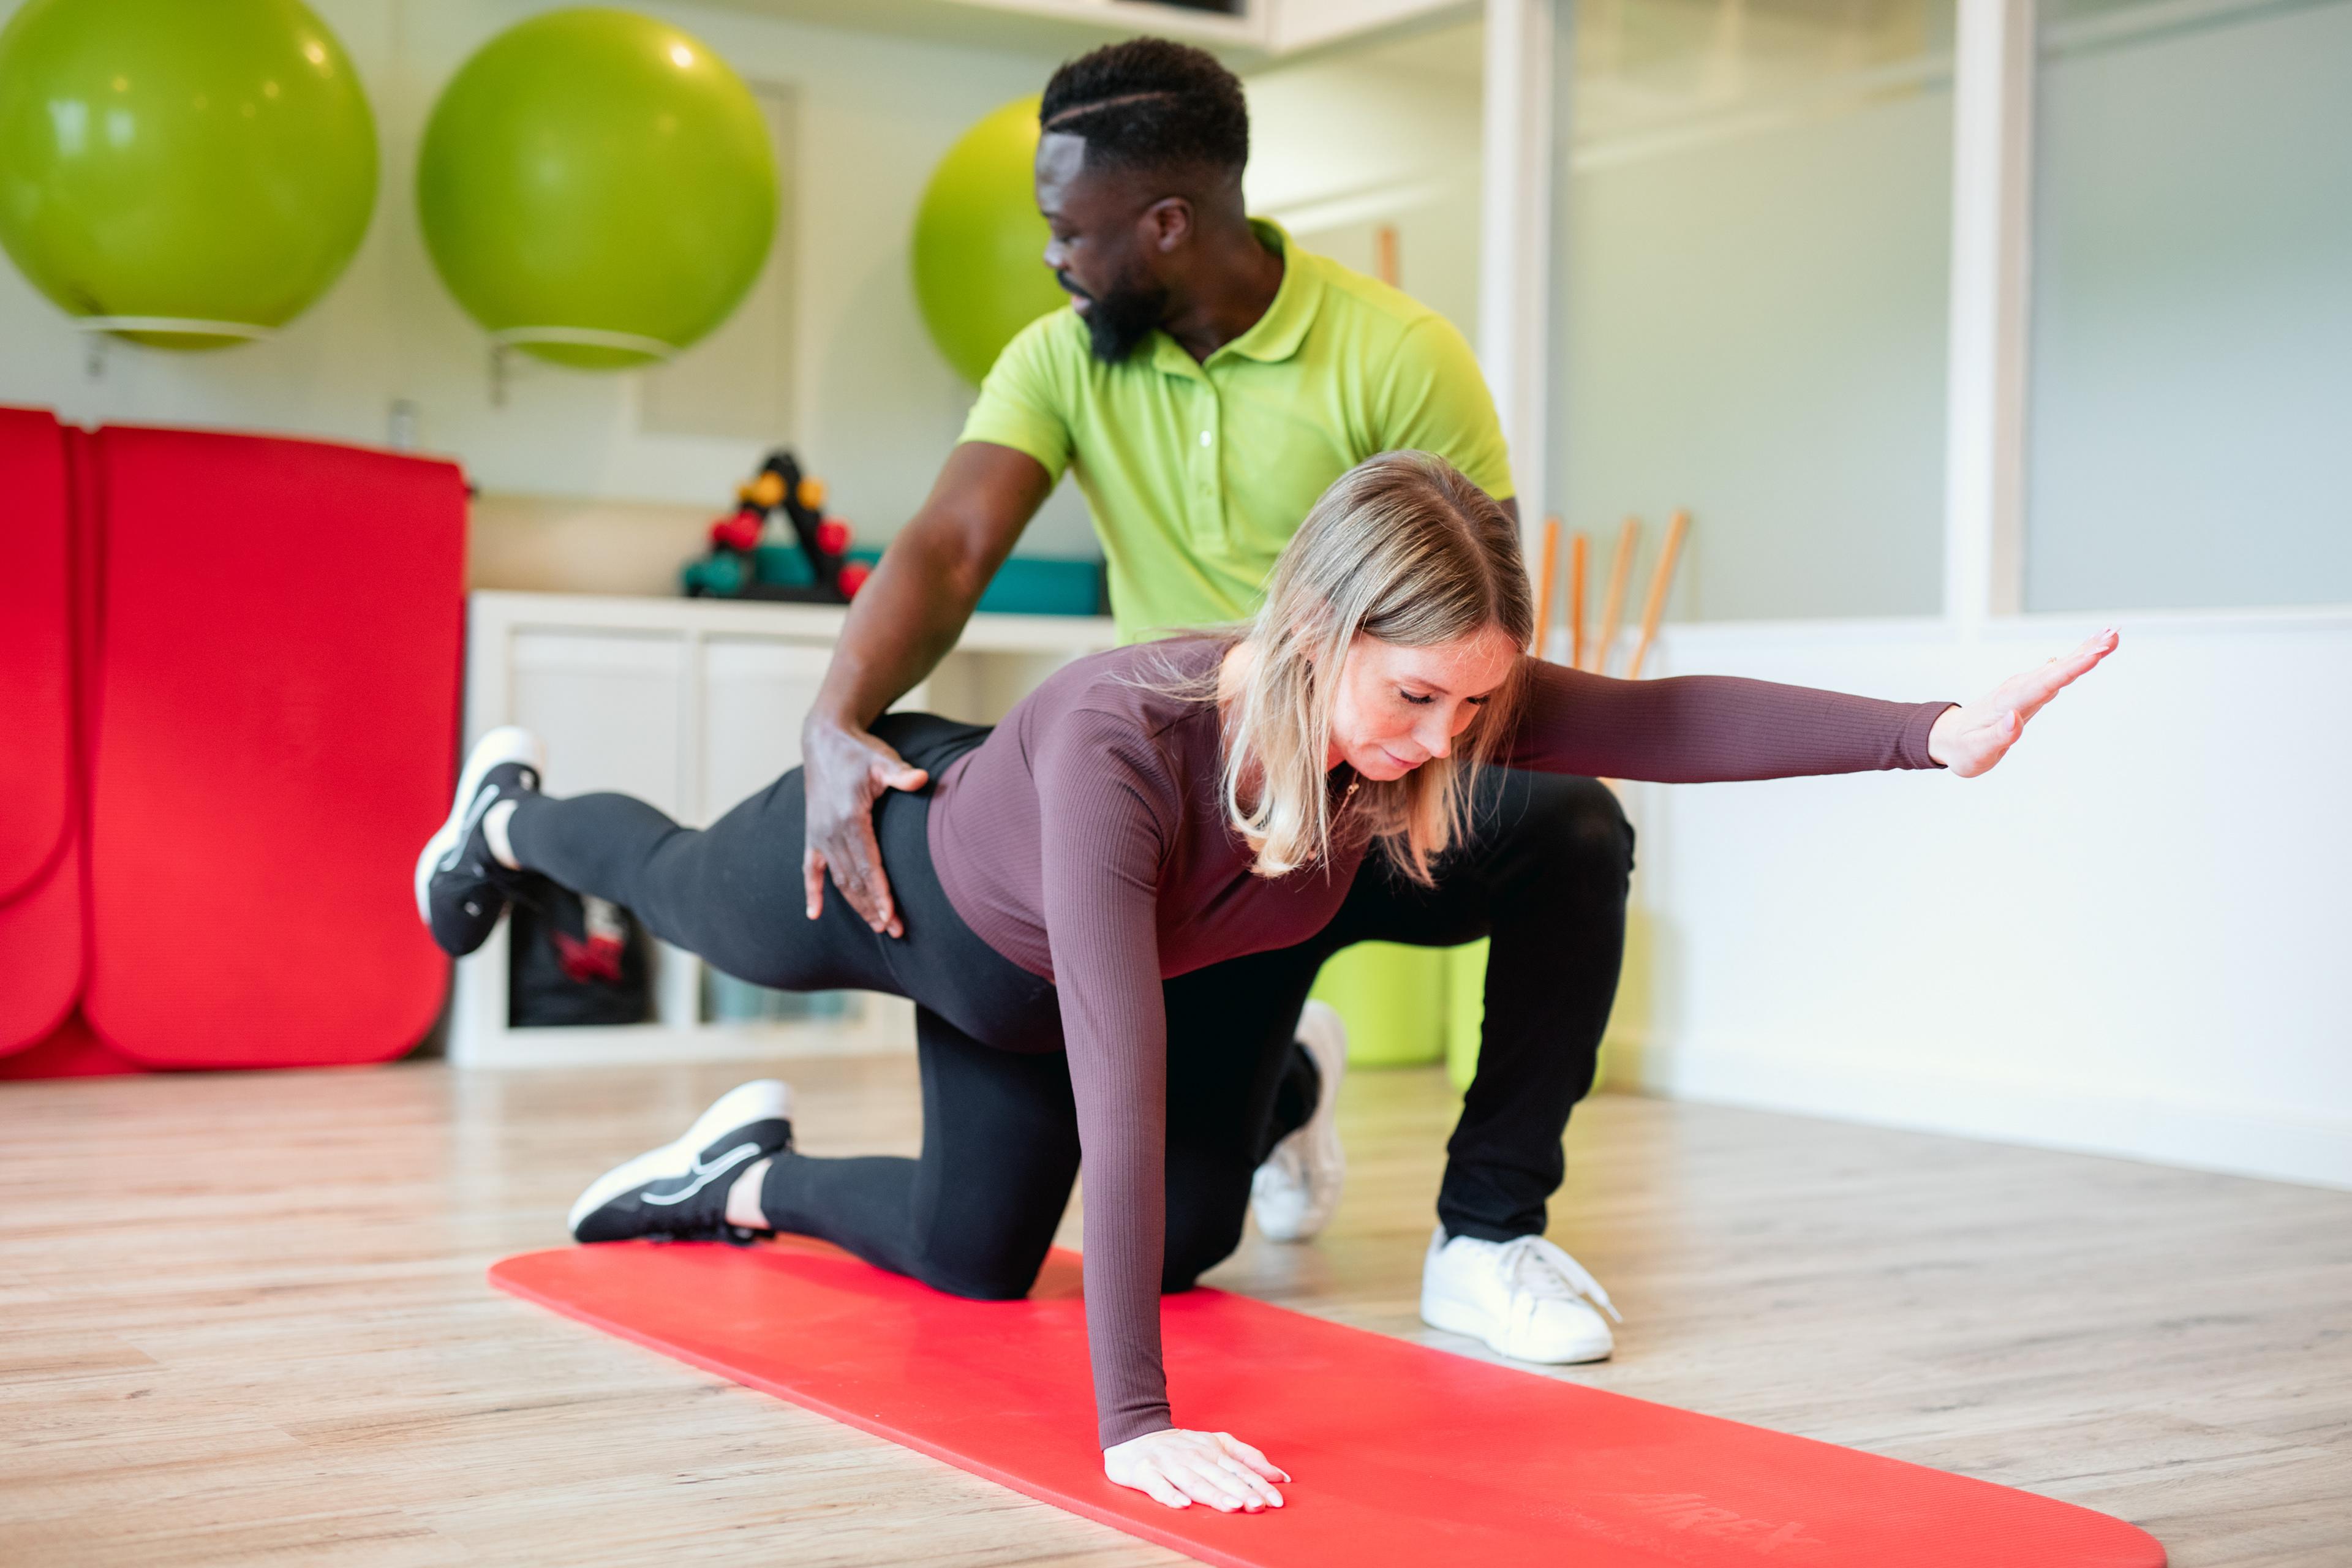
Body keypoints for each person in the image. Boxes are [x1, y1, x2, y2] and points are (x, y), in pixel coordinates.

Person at [415, 453, 2116, 1513]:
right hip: (910, 889)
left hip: (1063, 991)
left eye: (1474, 704)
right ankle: (509, 812)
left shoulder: (1410, 710)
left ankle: (742, 1178)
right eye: (1417, 697)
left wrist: (1930, 734)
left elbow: (1659, 722)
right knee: (678, 890)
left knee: (971, 1256)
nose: (1445, 737)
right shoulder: (1121, 744)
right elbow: (1118, 1068)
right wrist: (1134, 1422)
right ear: (1313, 633)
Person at [802, 35, 1644, 1362]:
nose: (1054, 257)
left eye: (1071, 230)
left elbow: (1480, 622)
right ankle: (1293, 1078)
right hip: (1208, 833)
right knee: (1178, 1240)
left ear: (1168, 224)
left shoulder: (1396, 352)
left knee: (1577, 823)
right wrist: (834, 717)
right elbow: (952, 545)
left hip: (1379, 797)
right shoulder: (1061, 361)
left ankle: (1488, 1233)